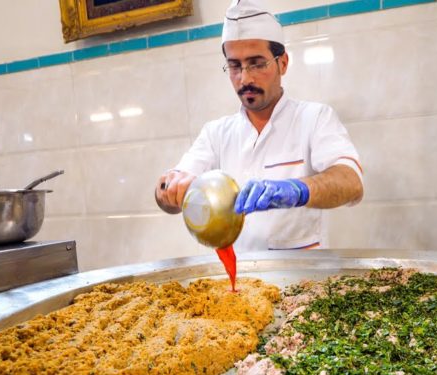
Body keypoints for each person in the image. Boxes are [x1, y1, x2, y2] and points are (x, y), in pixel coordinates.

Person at [155, 0, 363, 252]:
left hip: (304, 281)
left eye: (257, 63)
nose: (245, 78)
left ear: (282, 63)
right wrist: (168, 188)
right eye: (235, 66)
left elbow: (351, 183)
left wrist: (297, 190)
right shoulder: (216, 133)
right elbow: (169, 199)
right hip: (239, 284)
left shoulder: (314, 118)